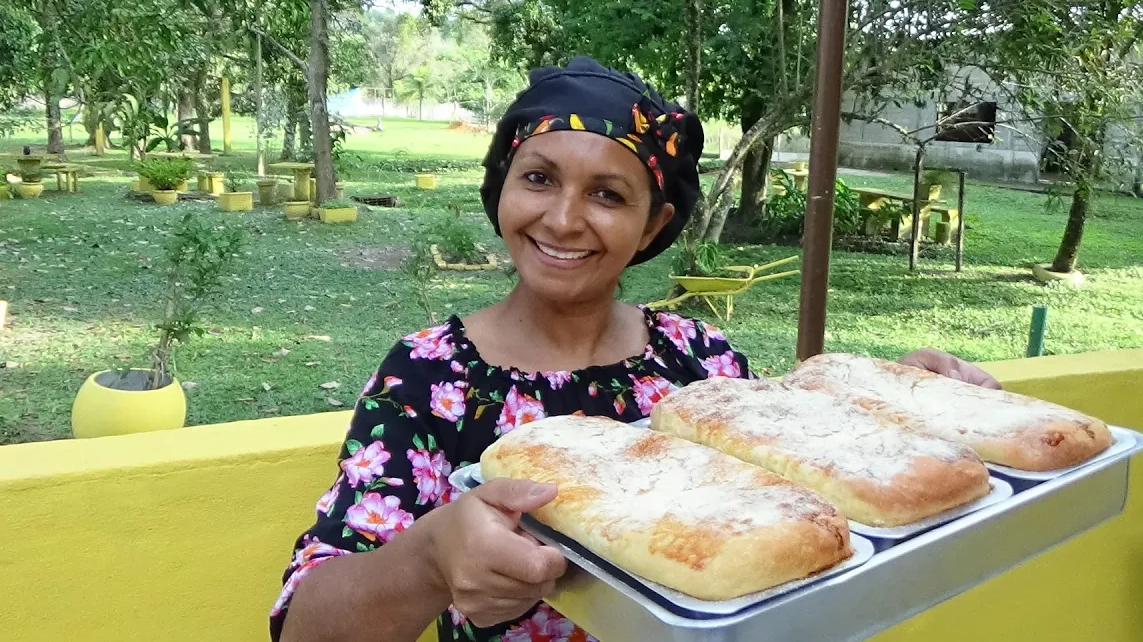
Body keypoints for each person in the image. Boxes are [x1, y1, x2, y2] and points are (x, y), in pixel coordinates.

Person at [270, 57, 999, 642]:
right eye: (538, 178)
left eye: (608, 195)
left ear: (653, 225)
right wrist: (431, 559)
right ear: (501, 189)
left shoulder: (699, 359)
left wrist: (892, 409)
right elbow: (306, 628)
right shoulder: (431, 376)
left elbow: (800, 483)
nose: (563, 219)